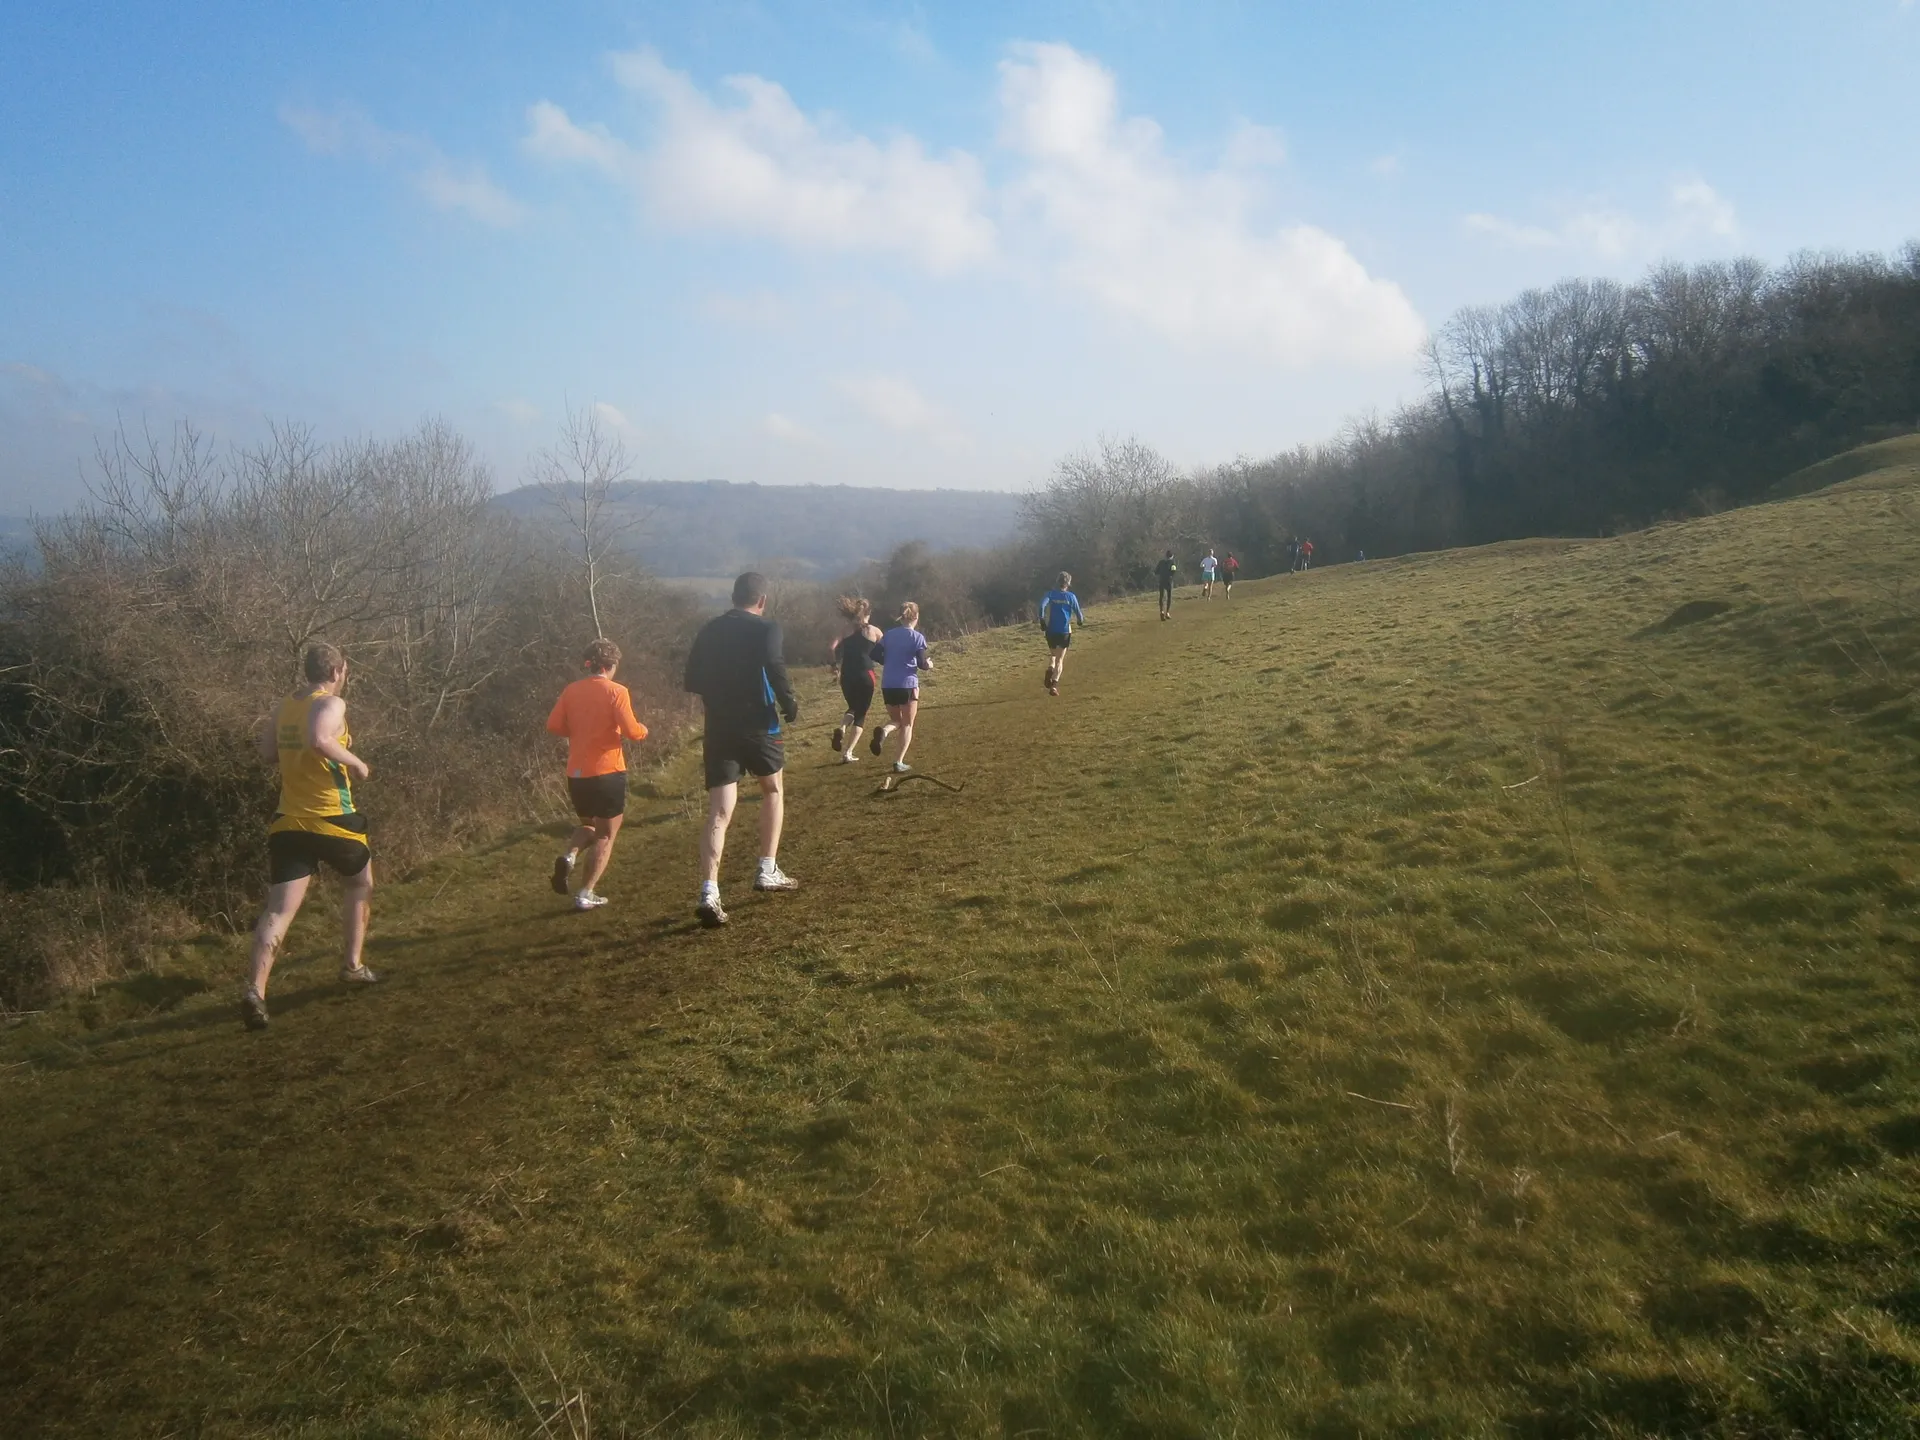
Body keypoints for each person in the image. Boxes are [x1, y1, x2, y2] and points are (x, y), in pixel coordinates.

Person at [242, 641, 377, 1030]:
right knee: (359, 885)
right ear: (337, 672)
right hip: (333, 818)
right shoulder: (331, 703)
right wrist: (358, 763)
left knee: (279, 910)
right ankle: (352, 966)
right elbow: (320, 739)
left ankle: (255, 990)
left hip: (289, 822)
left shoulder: (285, 706)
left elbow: (267, 753)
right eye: (343, 672)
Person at [683, 572, 801, 927]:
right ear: (761, 600)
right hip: (759, 725)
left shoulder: (709, 629)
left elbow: (692, 680)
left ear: (733, 597)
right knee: (773, 790)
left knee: (719, 812)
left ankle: (709, 890)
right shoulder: (766, 629)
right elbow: (774, 665)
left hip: (719, 728)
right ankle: (767, 868)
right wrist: (788, 701)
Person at [546, 638, 649, 911]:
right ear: (612, 665)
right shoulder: (617, 691)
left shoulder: (571, 691)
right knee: (605, 834)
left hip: (577, 774)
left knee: (590, 825)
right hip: (607, 772)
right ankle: (585, 893)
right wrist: (643, 729)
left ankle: (569, 856)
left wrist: (580, 733)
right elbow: (631, 731)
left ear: (589, 664)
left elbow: (554, 725)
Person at [869, 601, 932, 772]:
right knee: (907, 724)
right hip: (907, 684)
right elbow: (921, 663)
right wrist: (929, 665)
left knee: (896, 720)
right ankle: (898, 762)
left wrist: (887, 661)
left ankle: (884, 731)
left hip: (888, 685)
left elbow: (874, 653)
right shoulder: (917, 637)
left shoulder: (889, 635)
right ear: (916, 617)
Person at [828, 596, 884, 763]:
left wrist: (834, 665)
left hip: (847, 674)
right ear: (869, 613)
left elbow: (830, 647)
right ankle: (848, 753)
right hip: (866, 674)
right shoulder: (874, 631)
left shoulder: (845, 630)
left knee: (852, 707)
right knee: (861, 714)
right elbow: (885, 650)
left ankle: (842, 727)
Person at [1037, 571, 1086, 696]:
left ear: (1057, 582)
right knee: (1060, 659)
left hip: (1051, 630)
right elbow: (1078, 613)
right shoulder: (1071, 597)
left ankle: (1050, 669)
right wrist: (1080, 621)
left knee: (1053, 654)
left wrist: (1042, 619)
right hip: (1064, 631)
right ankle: (1054, 686)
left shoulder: (1051, 594)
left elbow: (1042, 606)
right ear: (1068, 583)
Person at [1154, 549, 1178, 620]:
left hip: (1162, 580)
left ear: (1165, 556)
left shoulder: (1161, 562)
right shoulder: (1172, 563)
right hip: (1169, 581)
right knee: (1169, 597)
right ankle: (1167, 612)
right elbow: (1173, 571)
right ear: (1172, 556)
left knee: (1161, 596)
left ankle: (1161, 611)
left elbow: (1156, 572)